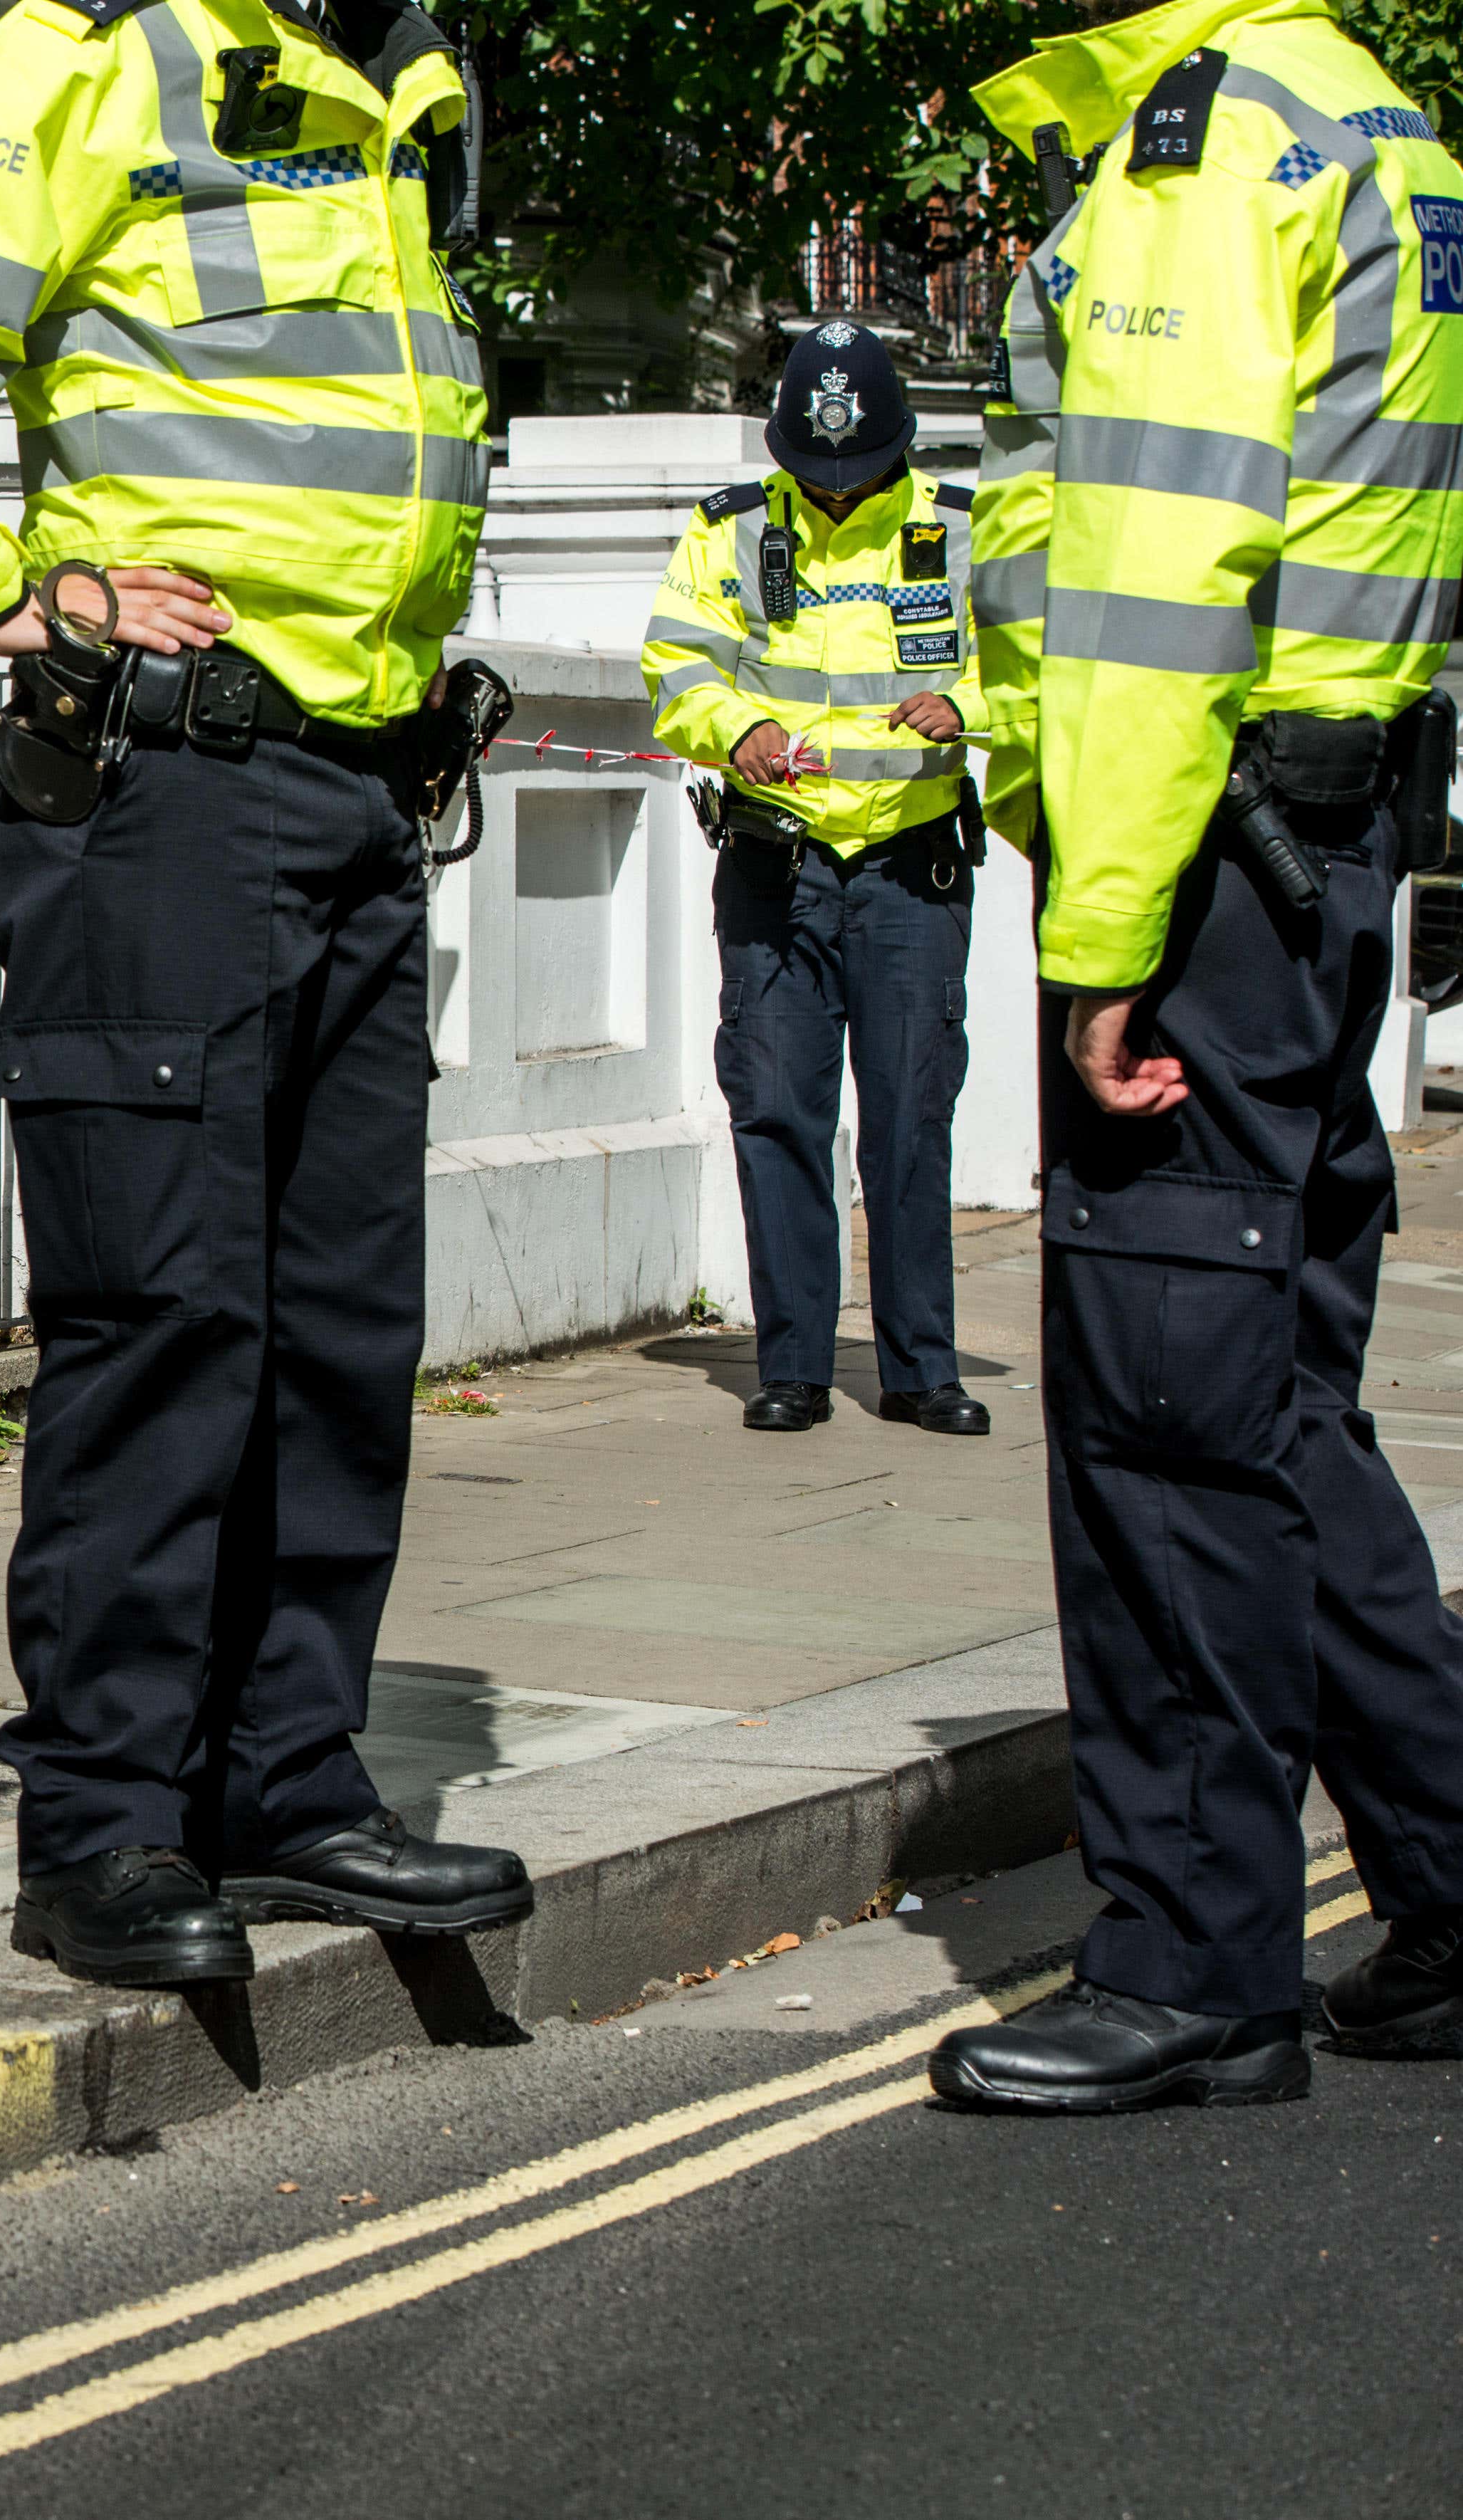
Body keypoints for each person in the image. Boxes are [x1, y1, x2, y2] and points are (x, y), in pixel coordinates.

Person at [0, 0, 530, 1986]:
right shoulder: (88, 56)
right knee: (164, 1314)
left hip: (358, 793)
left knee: (334, 1322)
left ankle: (285, 1779)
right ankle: (106, 1825)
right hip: (166, 788)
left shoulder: (391, 95)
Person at [930, 0, 1463, 2111]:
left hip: (1208, 856)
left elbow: (1156, 569)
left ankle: (1192, 1965)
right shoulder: (1374, 118)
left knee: (1160, 1417)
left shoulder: (1204, 136)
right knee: (1267, 1406)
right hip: (1321, 839)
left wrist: (1102, 933)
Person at [643, 326, 995, 1441]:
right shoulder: (731, 530)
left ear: (899, 447)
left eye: (858, 474)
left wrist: (967, 707)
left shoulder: (963, 531)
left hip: (910, 866)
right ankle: (790, 1364)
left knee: (908, 1120)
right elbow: (676, 664)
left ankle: (918, 1370)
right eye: (817, 475)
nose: (836, 494)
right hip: (774, 865)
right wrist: (734, 725)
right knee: (781, 1114)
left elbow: (1029, 664)